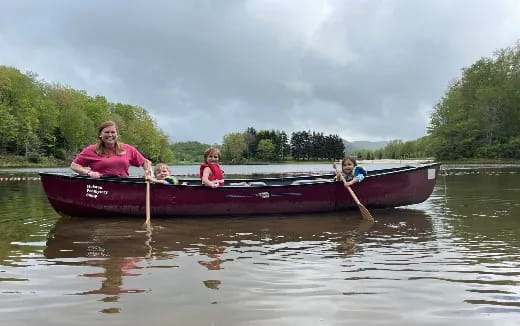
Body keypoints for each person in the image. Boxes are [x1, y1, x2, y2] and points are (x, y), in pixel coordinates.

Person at [70, 120, 152, 178]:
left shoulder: (128, 148)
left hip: (122, 186)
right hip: (100, 186)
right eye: (107, 132)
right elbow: (74, 165)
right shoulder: (91, 149)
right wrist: (89, 173)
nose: (110, 135)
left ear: (117, 135)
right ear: (100, 135)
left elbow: (145, 162)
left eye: (113, 132)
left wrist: (148, 172)